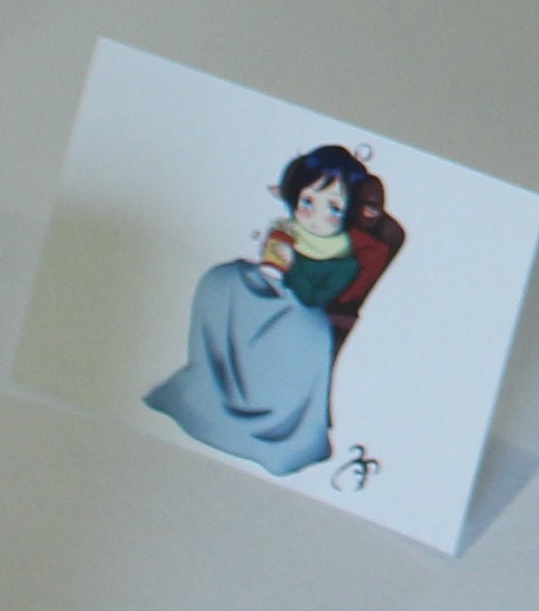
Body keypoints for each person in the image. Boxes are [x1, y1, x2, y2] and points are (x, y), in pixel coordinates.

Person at [144, 144, 401, 476]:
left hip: (303, 311)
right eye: (308, 202)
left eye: (333, 208)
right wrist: (274, 259)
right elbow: (267, 265)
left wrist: (292, 267)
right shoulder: (287, 230)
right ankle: (213, 384)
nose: (315, 216)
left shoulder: (344, 260)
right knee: (222, 280)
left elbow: (314, 297)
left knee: (297, 328)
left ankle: (259, 411)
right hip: (268, 286)